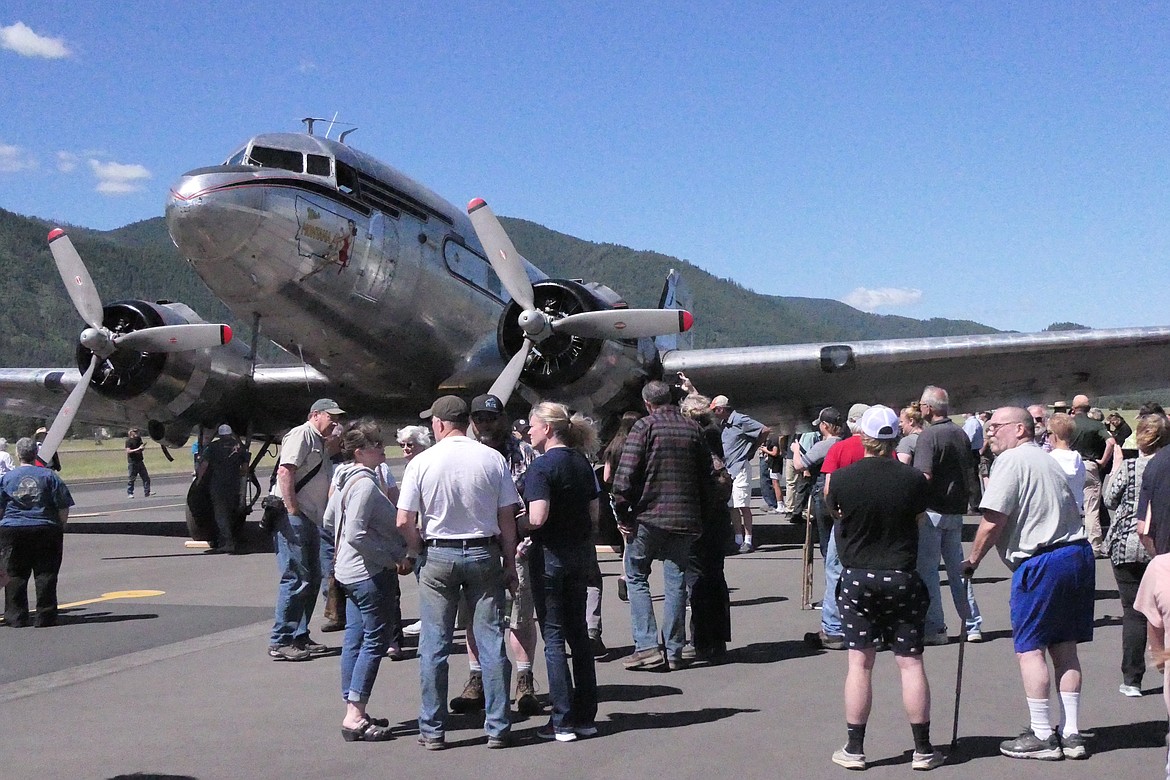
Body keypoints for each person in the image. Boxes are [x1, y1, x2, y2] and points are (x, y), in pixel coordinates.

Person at [963, 406, 1094, 761]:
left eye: (996, 427)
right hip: (1076, 555)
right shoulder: (1046, 458)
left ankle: (1042, 735)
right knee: (1065, 646)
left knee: (1031, 647)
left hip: (1042, 561)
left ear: (1020, 429)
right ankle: (1071, 733)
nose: (990, 433)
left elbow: (992, 519)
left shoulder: (1012, 460)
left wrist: (972, 559)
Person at [395, 395, 520, 750]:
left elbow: (403, 519)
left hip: (439, 553)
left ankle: (433, 728)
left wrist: (415, 547)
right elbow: (507, 518)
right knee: (491, 639)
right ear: (466, 422)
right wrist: (510, 563)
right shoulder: (491, 458)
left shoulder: (422, 462)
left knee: (433, 643)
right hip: (483, 549)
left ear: (438, 424)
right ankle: (497, 725)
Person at [825, 406, 944, 771]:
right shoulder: (913, 480)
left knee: (859, 663)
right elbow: (920, 518)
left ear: (863, 437)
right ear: (894, 437)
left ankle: (854, 747)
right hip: (901, 576)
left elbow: (834, 511)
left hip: (859, 576)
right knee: (910, 664)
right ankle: (923, 749)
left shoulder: (843, 478)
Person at [449, 394, 542, 718]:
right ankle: (477, 680)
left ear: (502, 418)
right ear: (471, 422)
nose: (485, 424)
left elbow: (534, 499)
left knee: (520, 616)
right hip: (477, 546)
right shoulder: (467, 455)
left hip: (517, 546)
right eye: (479, 419)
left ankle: (524, 680)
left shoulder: (524, 453)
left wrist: (523, 534)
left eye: (491, 417)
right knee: (475, 617)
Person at [613, 380, 714, 671]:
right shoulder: (692, 428)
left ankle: (646, 646)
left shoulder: (644, 427)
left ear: (647, 403)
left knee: (636, 576)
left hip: (649, 516)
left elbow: (625, 477)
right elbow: (707, 476)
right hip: (684, 517)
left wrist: (623, 514)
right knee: (676, 581)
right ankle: (674, 649)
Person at [322, 419, 411, 742]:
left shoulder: (346, 478)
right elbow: (357, 533)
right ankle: (355, 714)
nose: (381, 449)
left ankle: (352, 704)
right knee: (374, 641)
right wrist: (391, 557)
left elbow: (331, 520)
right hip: (368, 574)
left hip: (349, 572)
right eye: (375, 445)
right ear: (360, 452)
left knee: (355, 640)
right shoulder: (361, 484)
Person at [521, 401, 601, 742]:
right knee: (578, 634)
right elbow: (595, 514)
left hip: (549, 556)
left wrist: (511, 524)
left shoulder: (541, 468)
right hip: (580, 555)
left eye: (532, 426)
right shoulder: (582, 463)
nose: (528, 431)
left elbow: (537, 516)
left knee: (553, 637)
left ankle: (562, 718)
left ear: (547, 430)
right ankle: (585, 714)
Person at [268, 398, 343, 662]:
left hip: (310, 518)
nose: (335, 421)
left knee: (309, 580)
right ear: (315, 415)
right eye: (330, 416)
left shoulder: (320, 442)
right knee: (296, 578)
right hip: (296, 518)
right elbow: (285, 472)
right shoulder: (302, 434)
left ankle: (299, 635)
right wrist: (292, 511)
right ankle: (281, 640)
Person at [1104, 413, 1168, 697]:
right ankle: (1164, 668)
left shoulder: (1130, 467)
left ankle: (1132, 679)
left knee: (1133, 613)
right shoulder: (1164, 467)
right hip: (1161, 543)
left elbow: (1109, 498)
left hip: (1127, 544)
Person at [913, 385, 981, 645]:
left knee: (928, 571)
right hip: (955, 509)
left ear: (929, 408)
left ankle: (935, 626)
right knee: (957, 570)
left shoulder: (929, 437)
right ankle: (972, 622)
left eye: (921, 404)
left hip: (932, 510)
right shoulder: (960, 433)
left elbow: (924, 475)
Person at [679, 393, 733, 661]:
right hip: (717, 514)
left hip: (697, 512)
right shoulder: (714, 433)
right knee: (715, 575)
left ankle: (700, 638)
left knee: (696, 579)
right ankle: (719, 637)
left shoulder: (692, 437)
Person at [0, 437, 74, 627]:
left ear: (18, 455)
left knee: (15, 573)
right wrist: (60, 526)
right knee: (46, 573)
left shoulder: (7, 478)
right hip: (45, 528)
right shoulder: (49, 476)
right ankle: (45, 615)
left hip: (13, 529)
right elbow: (63, 505)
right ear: (36, 454)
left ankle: (16, 616)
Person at [710, 395, 770, 554]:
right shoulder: (725, 424)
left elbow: (764, 429)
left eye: (715, 410)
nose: (714, 413)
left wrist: (753, 448)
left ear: (721, 409)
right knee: (732, 505)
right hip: (729, 469)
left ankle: (748, 539)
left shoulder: (740, 420)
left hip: (740, 467)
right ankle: (738, 538)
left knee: (742, 504)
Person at [601, 411, 643, 604]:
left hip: (618, 497)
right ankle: (631, 576)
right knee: (636, 540)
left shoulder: (614, 446)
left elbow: (606, 476)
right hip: (639, 496)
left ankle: (626, 575)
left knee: (627, 538)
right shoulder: (639, 445)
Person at [396, 424, 433, 641]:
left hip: (422, 533)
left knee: (426, 580)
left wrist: (413, 547)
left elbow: (407, 516)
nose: (406, 449)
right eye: (403, 445)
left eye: (411, 444)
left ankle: (428, 620)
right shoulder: (413, 466)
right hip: (421, 532)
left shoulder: (418, 467)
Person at [1069, 394, 1114, 557]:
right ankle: (1095, 546)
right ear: (1088, 409)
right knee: (1091, 508)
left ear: (1073, 409)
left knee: (1067, 505)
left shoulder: (1068, 424)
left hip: (1068, 464)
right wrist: (1102, 461)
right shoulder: (1096, 425)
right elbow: (1111, 442)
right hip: (1089, 464)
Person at [197, 424, 245, 554]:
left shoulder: (213, 447)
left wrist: (199, 480)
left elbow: (204, 465)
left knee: (220, 514)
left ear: (219, 434)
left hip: (218, 485)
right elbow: (245, 465)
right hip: (234, 485)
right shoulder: (239, 446)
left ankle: (227, 542)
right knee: (230, 512)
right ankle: (228, 538)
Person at [1046, 413, 1086, 512]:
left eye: (1048, 433)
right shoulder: (1078, 459)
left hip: (1055, 513)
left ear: (1054, 435)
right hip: (1075, 512)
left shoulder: (1049, 459)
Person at [125, 427, 151, 498]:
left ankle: (147, 492)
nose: (137, 433)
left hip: (140, 461)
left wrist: (142, 448)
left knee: (146, 477)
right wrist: (137, 449)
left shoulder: (139, 439)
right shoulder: (128, 441)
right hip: (132, 462)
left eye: (137, 432)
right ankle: (130, 493)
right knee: (132, 478)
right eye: (135, 432)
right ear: (131, 432)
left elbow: (141, 448)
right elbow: (128, 451)